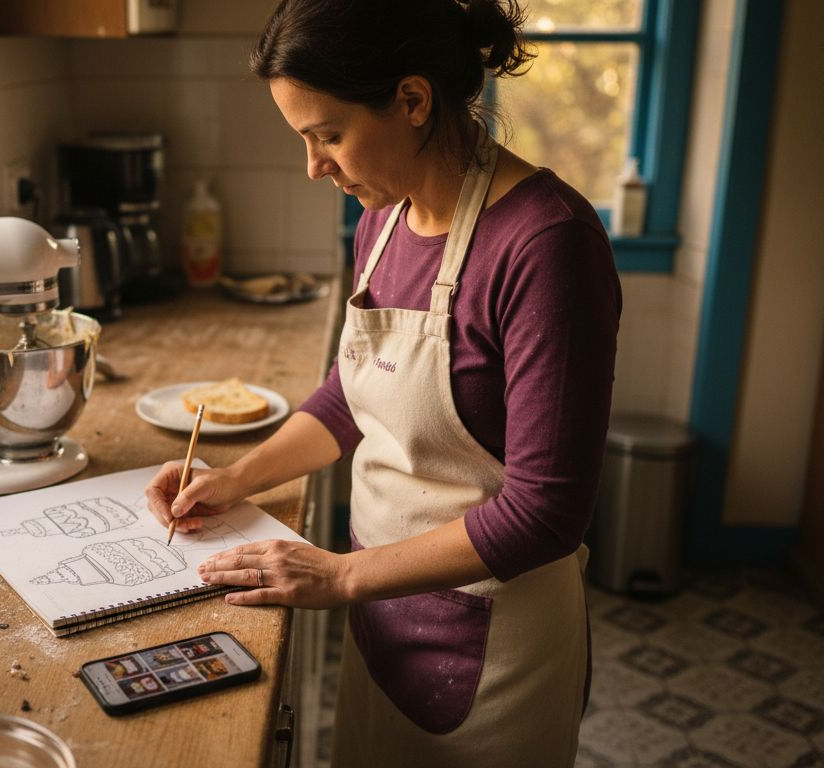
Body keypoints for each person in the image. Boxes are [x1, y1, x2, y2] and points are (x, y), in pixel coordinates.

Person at [144, 0, 621, 764]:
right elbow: (349, 396)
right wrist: (236, 478)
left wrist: (338, 576)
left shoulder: (546, 245)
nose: (314, 166)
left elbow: (547, 511)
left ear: (412, 100)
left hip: (493, 643)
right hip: (379, 614)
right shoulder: (383, 218)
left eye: (328, 136)